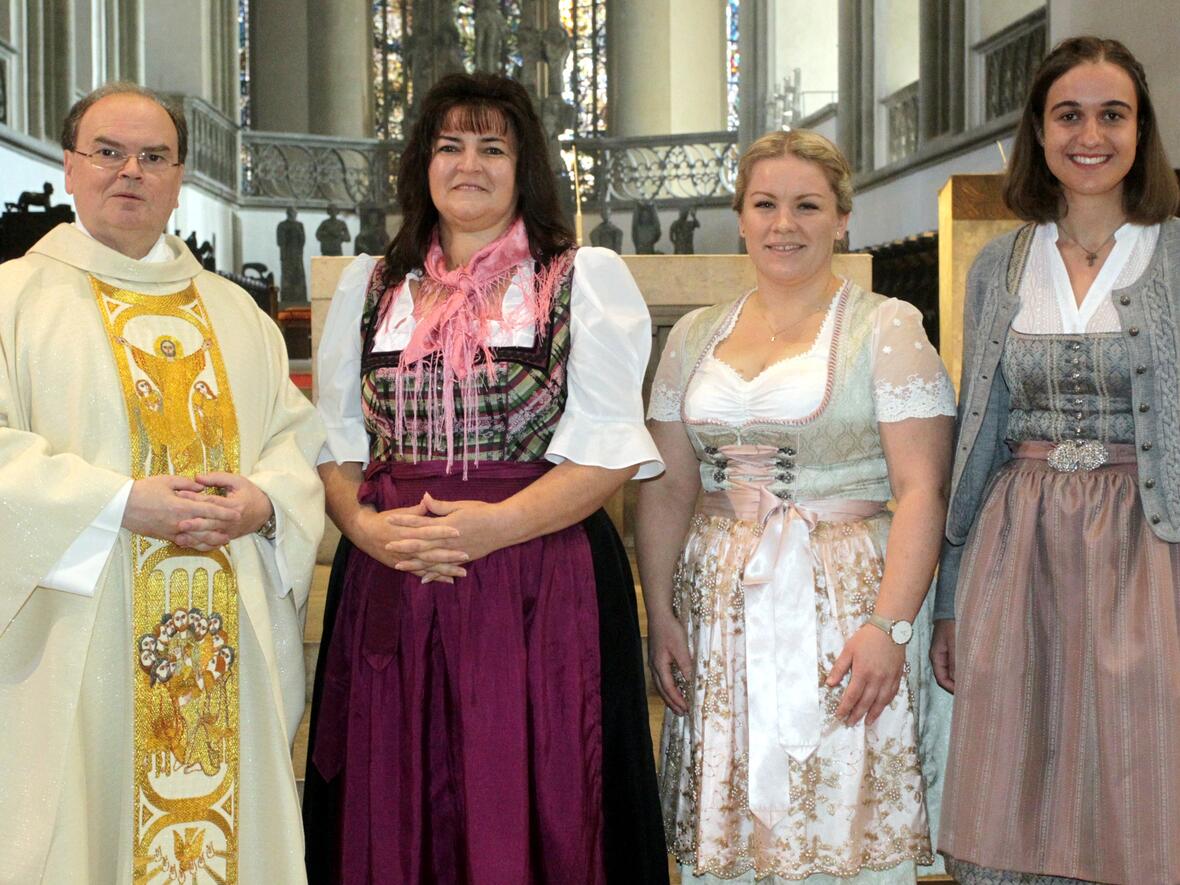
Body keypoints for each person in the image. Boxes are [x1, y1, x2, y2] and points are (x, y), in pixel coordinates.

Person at [303, 72, 669, 884]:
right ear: (422, 166)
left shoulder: (579, 279)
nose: (469, 164)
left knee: (536, 790)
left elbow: (608, 452)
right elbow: (333, 445)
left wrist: (491, 526)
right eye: (449, 145)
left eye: (492, 147)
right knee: (395, 792)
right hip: (392, 571)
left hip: (536, 576)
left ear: (524, 166)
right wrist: (364, 530)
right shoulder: (372, 287)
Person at [0, 83, 325, 883]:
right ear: (68, 167)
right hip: (78, 629)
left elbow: (291, 440)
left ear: (181, 177)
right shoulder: (12, 299)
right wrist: (116, 504)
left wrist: (264, 503)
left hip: (223, 644)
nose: (130, 172)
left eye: (154, 157)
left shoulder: (239, 313)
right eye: (107, 152)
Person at [637, 129, 955, 882]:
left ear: (842, 217)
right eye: (766, 204)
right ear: (741, 217)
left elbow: (921, 491)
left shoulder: (889, 327)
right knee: (738, 828)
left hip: (844, 604)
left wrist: (890, 625)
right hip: (721, 611)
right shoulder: (691, 336)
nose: (785, 224)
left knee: (841, 814)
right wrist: (660, 612)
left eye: (808, 205)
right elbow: (669, 483)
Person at [932, 36, 1180, 885]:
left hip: (1149, 549)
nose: (1091, 134)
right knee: (1016, 776)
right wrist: (948, 597)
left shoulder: (1176, 254)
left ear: (1142, 132)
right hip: (1018, 543)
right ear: (1038, 132)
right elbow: (977, 429)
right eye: (1068, 114)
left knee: (1141, 777)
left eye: (1114, 114)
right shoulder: (1000, 263)